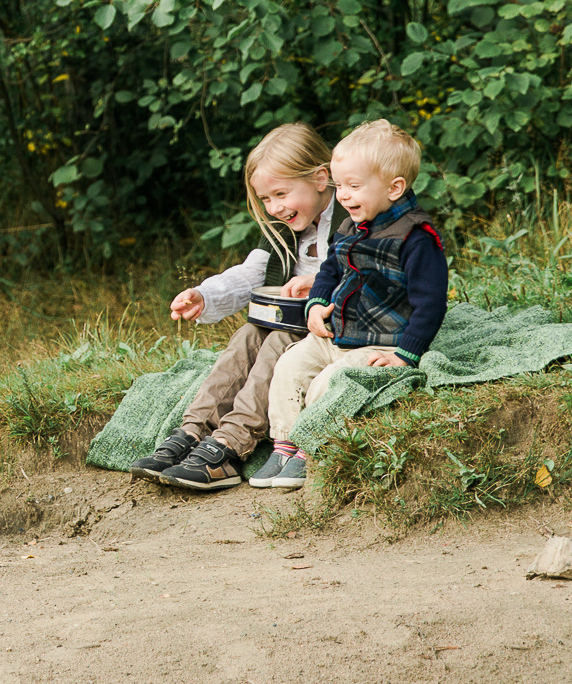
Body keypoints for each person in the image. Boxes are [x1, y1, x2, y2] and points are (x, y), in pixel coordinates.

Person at [130, 123, 343, 491]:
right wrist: (205, 295)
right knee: (248, 334)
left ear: (320, 178)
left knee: (277, 341)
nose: (274, 208)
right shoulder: (286, 227)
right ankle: (193, 431)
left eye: (281, 194)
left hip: (333, 328)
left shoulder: (353, 214)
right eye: (265, 200)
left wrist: (325, 284)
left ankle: (230, 445)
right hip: (291, 321)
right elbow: (253, 272)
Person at [251, 120, 448, 490]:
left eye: (353, 186)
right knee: (289, 365)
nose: (342, 196)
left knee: (331, 382)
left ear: (394, 188)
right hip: (339, 333)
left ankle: (313, 447)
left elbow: (432, 304)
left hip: (382, 342)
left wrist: (405, 355)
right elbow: (328, 270)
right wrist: (317, 303)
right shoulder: (352, 228)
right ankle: (285, 443)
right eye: (340, 185)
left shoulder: (417, 239)